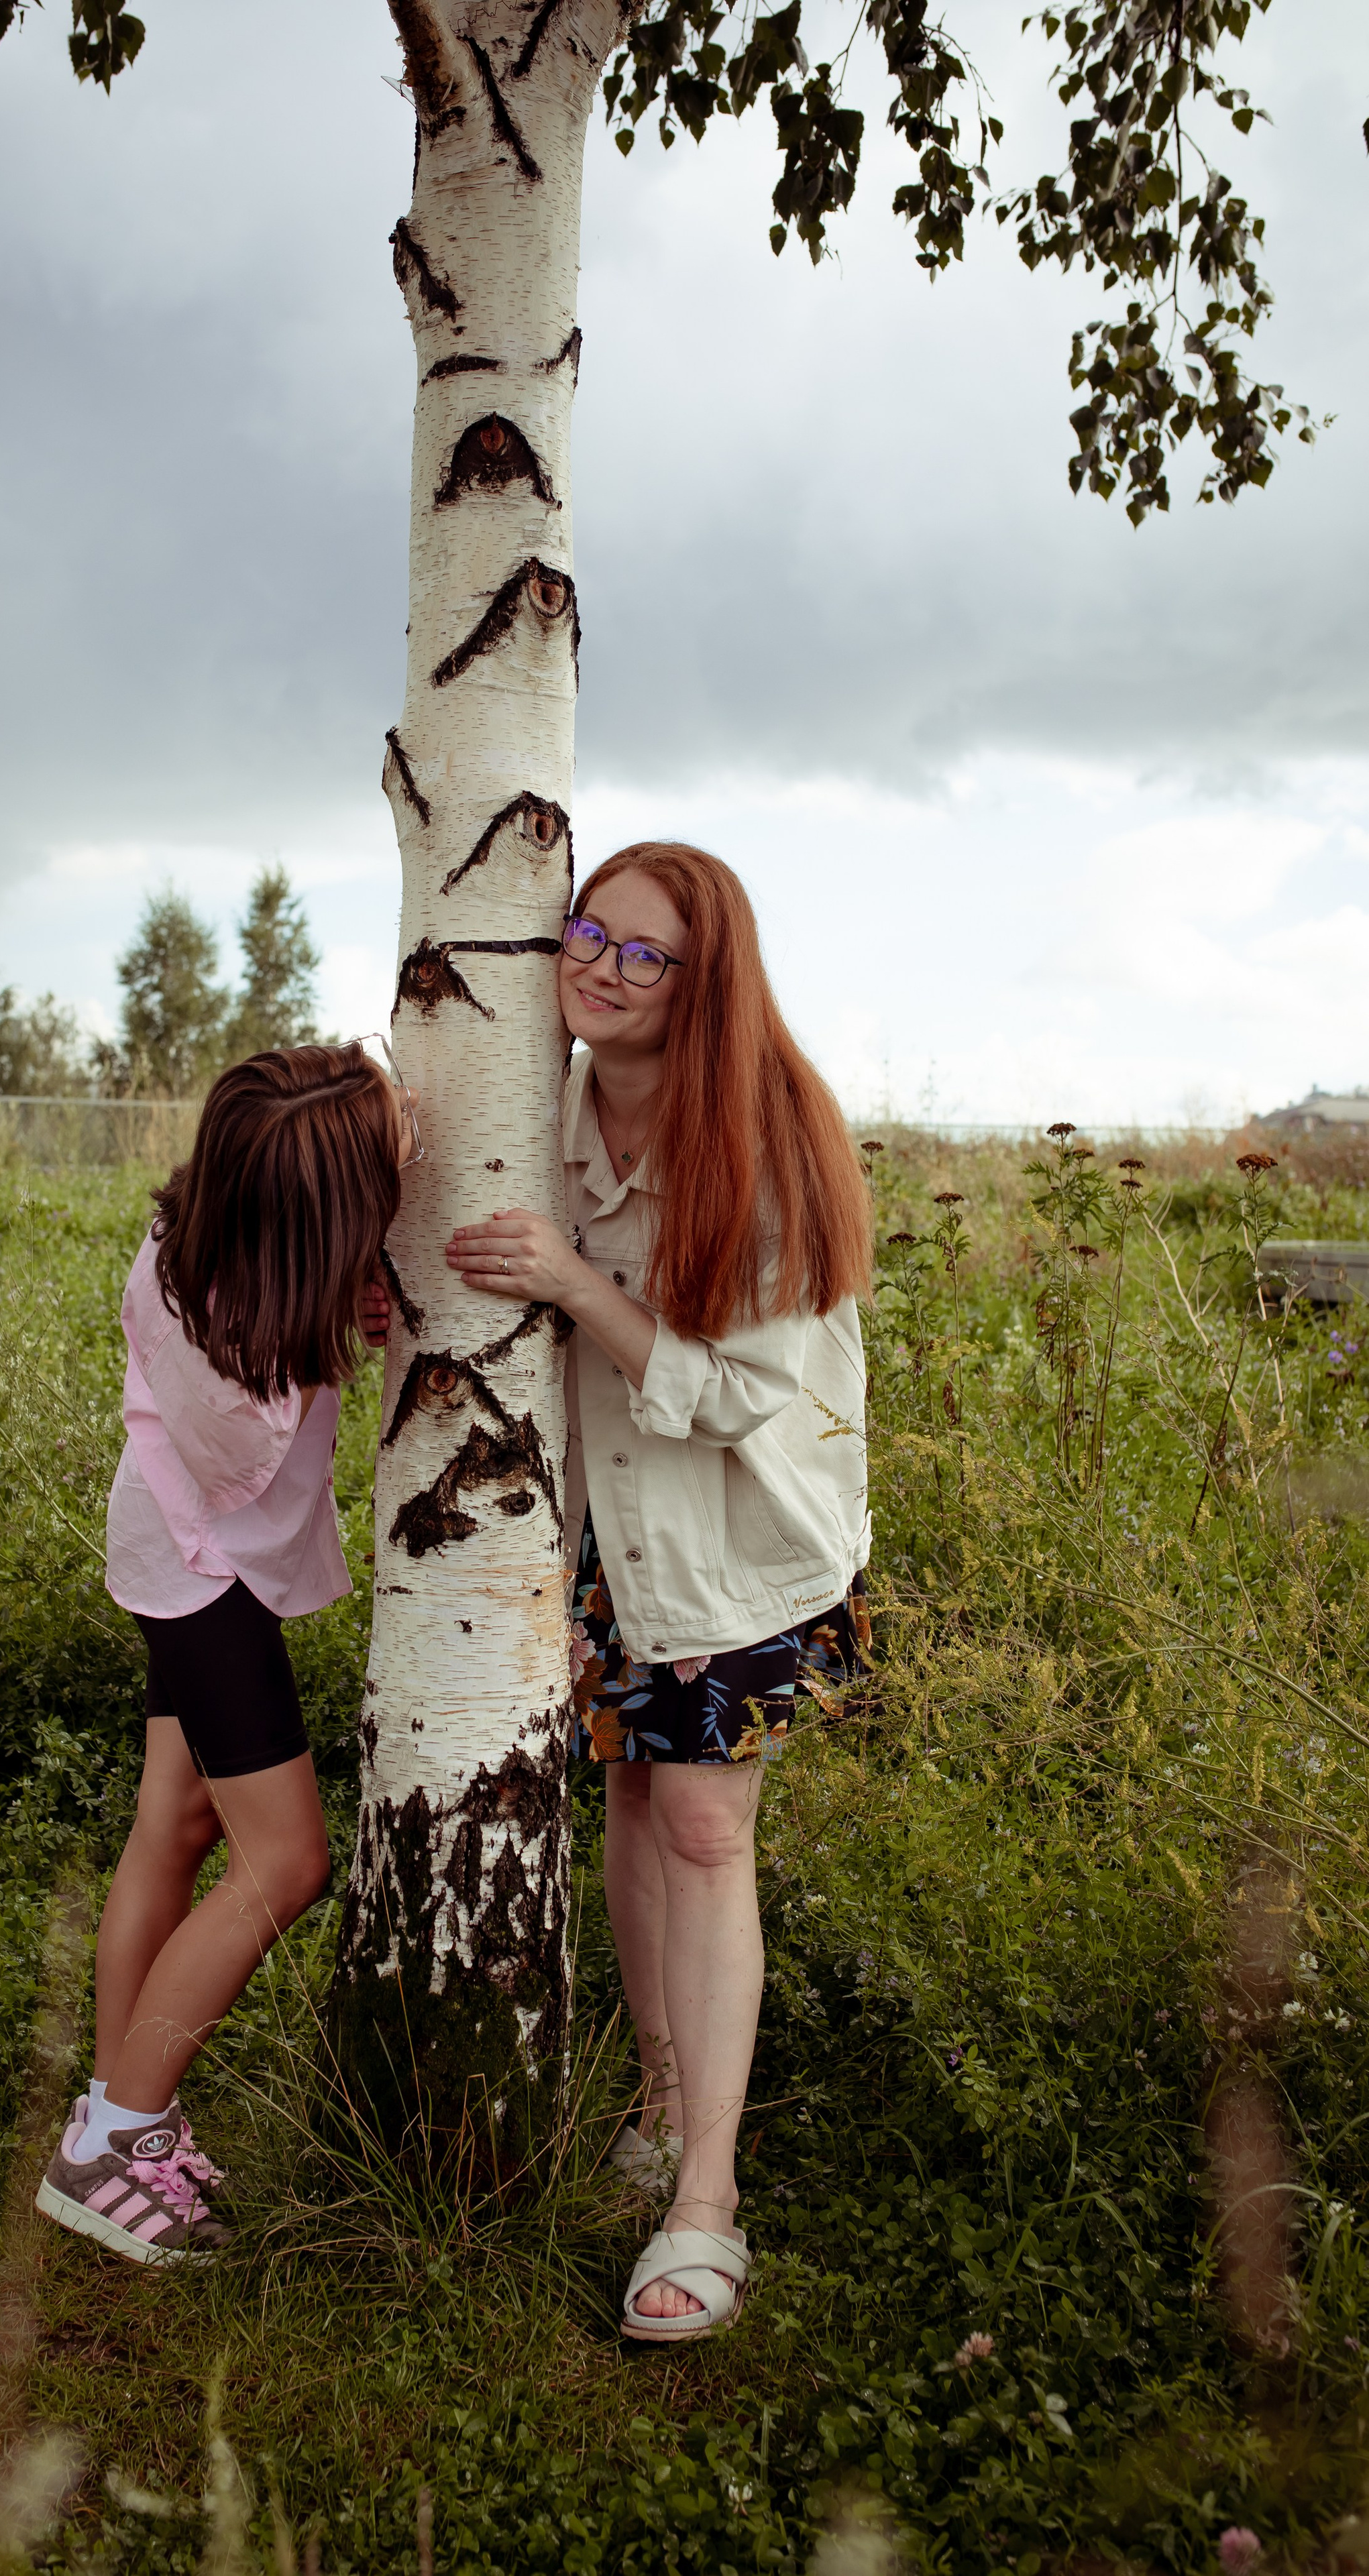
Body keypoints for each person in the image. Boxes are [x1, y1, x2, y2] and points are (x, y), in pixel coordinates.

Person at [447, 843, 873, 2344]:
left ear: (705, 987)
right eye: (587, 933)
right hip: (610, 1533)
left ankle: (705, 2202)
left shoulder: (757, 1144)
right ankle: (659, 2092)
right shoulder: (539, 1104)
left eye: (644, 954)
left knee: (700, 1825)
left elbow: (731, 1398)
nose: (601, 967)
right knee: (632, 1800)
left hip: (739, 1537)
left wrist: (575, 1285)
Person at [38, 1040, 415, 2265]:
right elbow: (267, 1418)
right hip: (206, 1575)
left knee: (178, 1819)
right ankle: (115, 2138)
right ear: (322, 1226)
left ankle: (116, 2110)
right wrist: (342, 1324)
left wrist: (336, 1282)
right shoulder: (254, 1369)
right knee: (288, 1858)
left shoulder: (197, 1246)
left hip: (169, 1536)